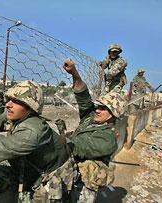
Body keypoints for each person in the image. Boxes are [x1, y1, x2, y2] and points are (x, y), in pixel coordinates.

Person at [58, 59, 127, 202]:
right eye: (98, 106)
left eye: (103, 108)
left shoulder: (108, 139)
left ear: (114, 114)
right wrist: (74, 73)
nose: (97, 110)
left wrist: (54, 139)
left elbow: (79, 146)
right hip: (70, 170)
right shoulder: (90, 117)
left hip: (84, 184)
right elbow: (83, 96)